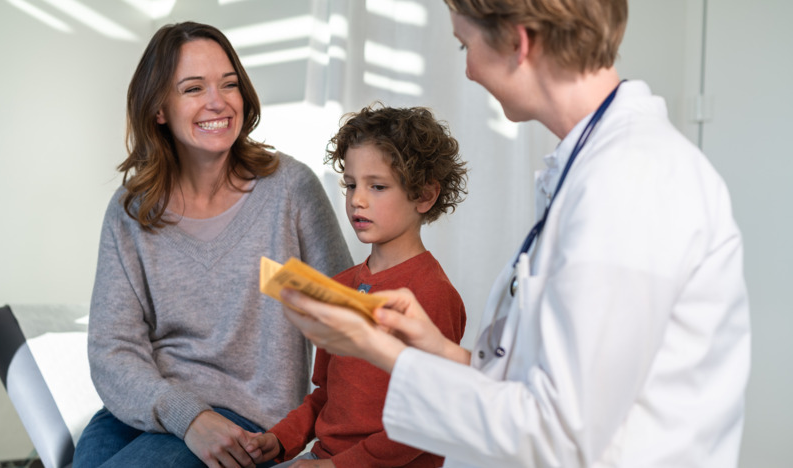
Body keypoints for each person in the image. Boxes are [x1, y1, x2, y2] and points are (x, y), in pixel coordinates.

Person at [275, 1, 752, 467]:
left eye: (466, 47)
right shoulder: (591, 169)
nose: (470, 73)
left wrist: (374, 347)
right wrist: (440, 351)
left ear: (517, 43)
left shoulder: (629, 180)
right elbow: (542, 384)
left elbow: (563, 436)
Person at [73, 21, 352, 468]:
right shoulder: (131, 210)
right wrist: (189, 416)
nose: (218, 102)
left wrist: (330, 448)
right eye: (193, 88)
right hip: (150, 409)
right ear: (159, 109)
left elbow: (347, 322)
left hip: (249, 418)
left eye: (229, 84)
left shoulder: (290, 190)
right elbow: (112, 350)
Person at [243, 104, 469, 467]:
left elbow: (426, 419)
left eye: (377, 186)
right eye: (350, 185)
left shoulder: (433, 293)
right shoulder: (341, 285)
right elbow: (326, 395)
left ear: (425, 195)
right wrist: (280, 438)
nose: (357, 200)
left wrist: (334, 466)